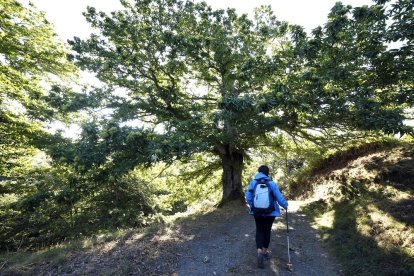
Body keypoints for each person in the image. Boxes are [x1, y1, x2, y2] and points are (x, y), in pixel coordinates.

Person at [245, 165, 288, 269]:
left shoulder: (253, 183)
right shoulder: (272, 184)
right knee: (267, 230)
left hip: (257, 212)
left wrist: (253, 206)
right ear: (267, 173)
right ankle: (264, 251)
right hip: (270, 213)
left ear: (259, 172)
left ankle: (259, 250)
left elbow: (248, 197)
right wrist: (285, 205)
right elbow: (279, 197)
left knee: (259, 230)